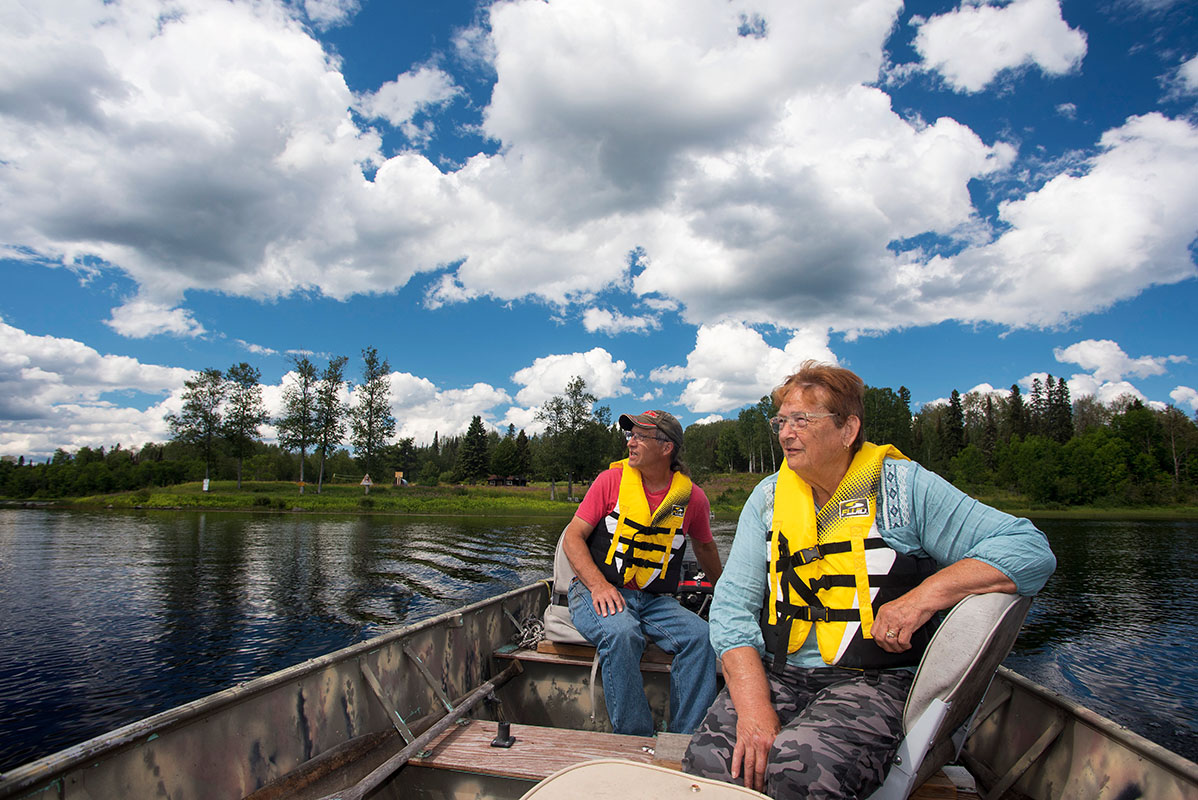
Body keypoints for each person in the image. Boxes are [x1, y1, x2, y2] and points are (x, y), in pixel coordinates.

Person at [683, 362, 1056, 799]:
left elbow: (1028, 549)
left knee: (802, 773)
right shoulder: (767, 498)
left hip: (874, 682)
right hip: (778, 673)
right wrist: (752, 706)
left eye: (802, 420)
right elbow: (731, 608)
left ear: (847, 428)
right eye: (781, 421)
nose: (786, 433)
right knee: (710, 762)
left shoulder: (903, 489)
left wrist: (922, 598)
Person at [563, 409, 724, 736]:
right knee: (621, 633)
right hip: (594, 589)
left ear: (666, 448)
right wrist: (598, 585)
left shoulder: (693, 499)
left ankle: (684, 739)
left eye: (639, 436)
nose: (630, 442)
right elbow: (572, 537)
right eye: (630, 435)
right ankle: (634, 740)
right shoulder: (610, 481)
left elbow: (706, 548)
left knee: (701, 637)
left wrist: (725, 593)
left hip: (653, 600)